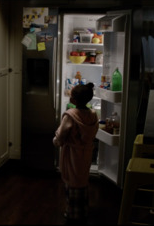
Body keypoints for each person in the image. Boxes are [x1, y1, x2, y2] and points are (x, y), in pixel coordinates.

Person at [53, 83, 99, 224]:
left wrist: (56, 141)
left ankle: (73, 213)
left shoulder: (71, 116)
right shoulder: (92, 115)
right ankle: (83, 210)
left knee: (72, 181)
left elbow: (61, 135)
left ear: (73, 100)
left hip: (72, 153)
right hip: (86, 152)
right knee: (82, 180)